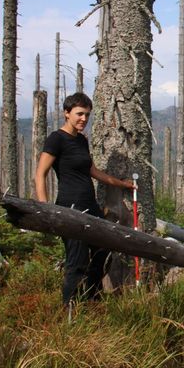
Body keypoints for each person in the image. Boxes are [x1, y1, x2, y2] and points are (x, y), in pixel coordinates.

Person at [35, 92, 134, 305]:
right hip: (70, 207)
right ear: (66, 113)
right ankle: (69, 309)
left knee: (102, 249)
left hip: (90, 206)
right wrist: (45, 211)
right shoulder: (56, 139)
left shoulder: (81, 140)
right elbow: (40, 174)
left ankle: (91, 299)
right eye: (79, 114)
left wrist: (121, 183)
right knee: (76, 260)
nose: (84, 119)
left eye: (87, 115)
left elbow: (93, 171)